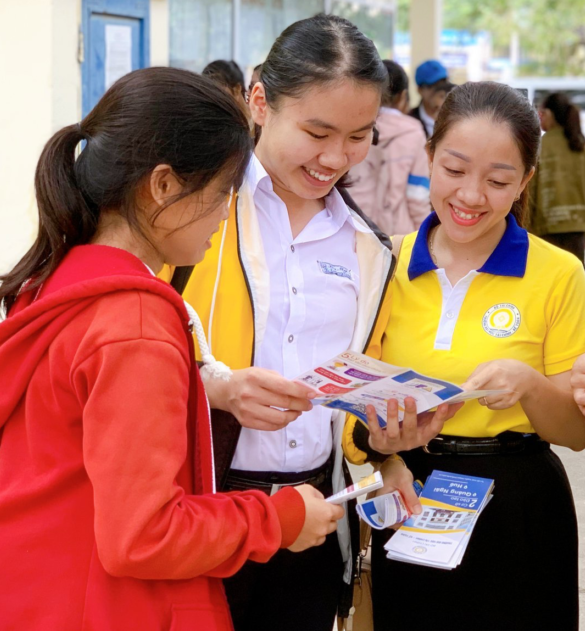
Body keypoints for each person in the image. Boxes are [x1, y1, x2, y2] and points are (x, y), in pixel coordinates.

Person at [0, 67, 340, 630]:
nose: (222, 218)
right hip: (87, 604)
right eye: (219, 197)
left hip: (13, 586)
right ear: (162, 185)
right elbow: (143, 535)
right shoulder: (135, 324)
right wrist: (278, 518)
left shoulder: (59, 277)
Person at [164, 16, 455, 631]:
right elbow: (127, 343)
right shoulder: (188, 216)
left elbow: (349, 405)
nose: (335, 158)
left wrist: (385, 445)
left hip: (315, 513)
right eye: (317, 131)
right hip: (199, 505)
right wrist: (215, 387)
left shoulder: (370, 250)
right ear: (261, 99)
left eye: (357, 136)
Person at [344, 81, 585, 631]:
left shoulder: (558, 274)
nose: (471, 196)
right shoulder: (382, 262)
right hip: (409, 494)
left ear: (525, 182)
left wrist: (531, 384)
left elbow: (579, 433)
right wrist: (383, 451)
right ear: (430, 157)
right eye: (455, 170)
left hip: (520, 508)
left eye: (498, 180)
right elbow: (352, 408)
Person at [349, 59, 432, 236]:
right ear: (403, 96)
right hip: (398, 237)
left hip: (352, 228)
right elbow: (417, 195)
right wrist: (422, 238)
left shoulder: (352, 125)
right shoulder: (414, 131)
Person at [526, 92, 585, 265]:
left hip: (545, 229)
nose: (540, 119)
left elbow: (530, 192)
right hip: (578, 229)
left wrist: (526, 230)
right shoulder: (584, 147)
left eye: (541, 114)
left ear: (549, 115)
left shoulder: (540, 147)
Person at [409, 59, 453, 138]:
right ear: (420, 90)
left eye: (444, 85)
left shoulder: (456, 117)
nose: (440, 91)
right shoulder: (409, 121)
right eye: (434, 86)